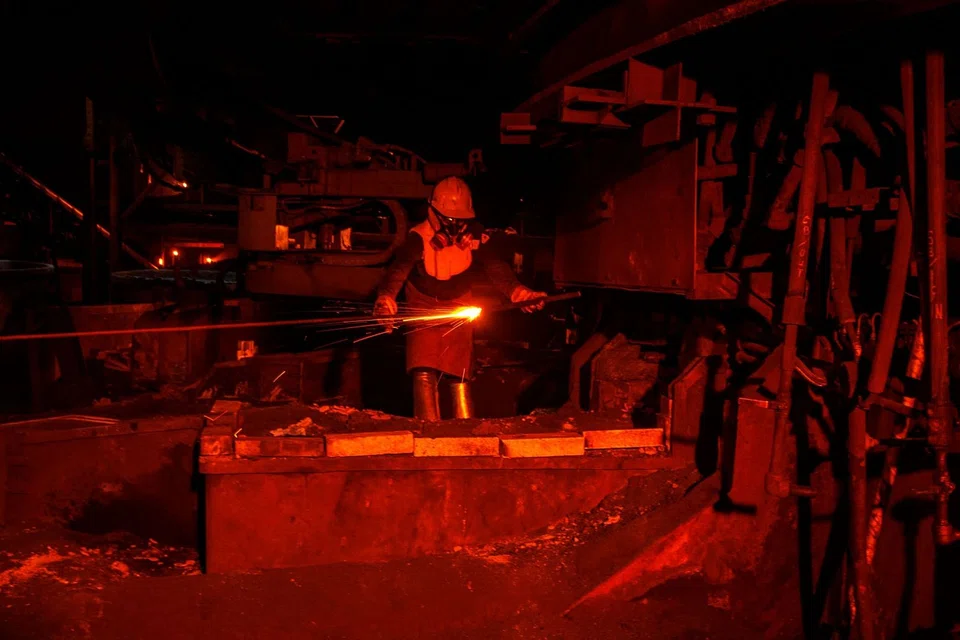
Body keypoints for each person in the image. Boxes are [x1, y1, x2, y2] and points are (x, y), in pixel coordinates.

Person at [374, 176, 544, 420]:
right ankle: (427, 428)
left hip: (458, 306)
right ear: (433, 212)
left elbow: (496, 268)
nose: (454, 226)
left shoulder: (475, 238)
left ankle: (464, 427)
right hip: (423, 308)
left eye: (460, 220)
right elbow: (398, 271)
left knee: (459, 373)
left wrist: (520, 293)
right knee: (424, 371)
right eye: (449, 220)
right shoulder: (417, 238)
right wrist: (386, 298)